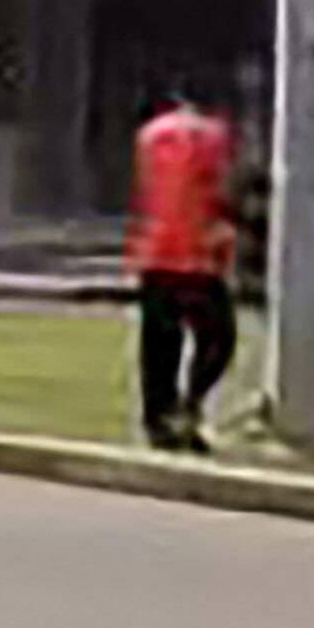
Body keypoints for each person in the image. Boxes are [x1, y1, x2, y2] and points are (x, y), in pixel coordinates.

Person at [128, 74, 239, 451]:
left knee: (159, 345)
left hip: (156, 251)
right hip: (197, 255)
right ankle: (191, 403)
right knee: (218, 338)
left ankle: (158, 421)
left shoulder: (149, 135)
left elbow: (145, 191)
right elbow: (221, 191)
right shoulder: (214, 136)